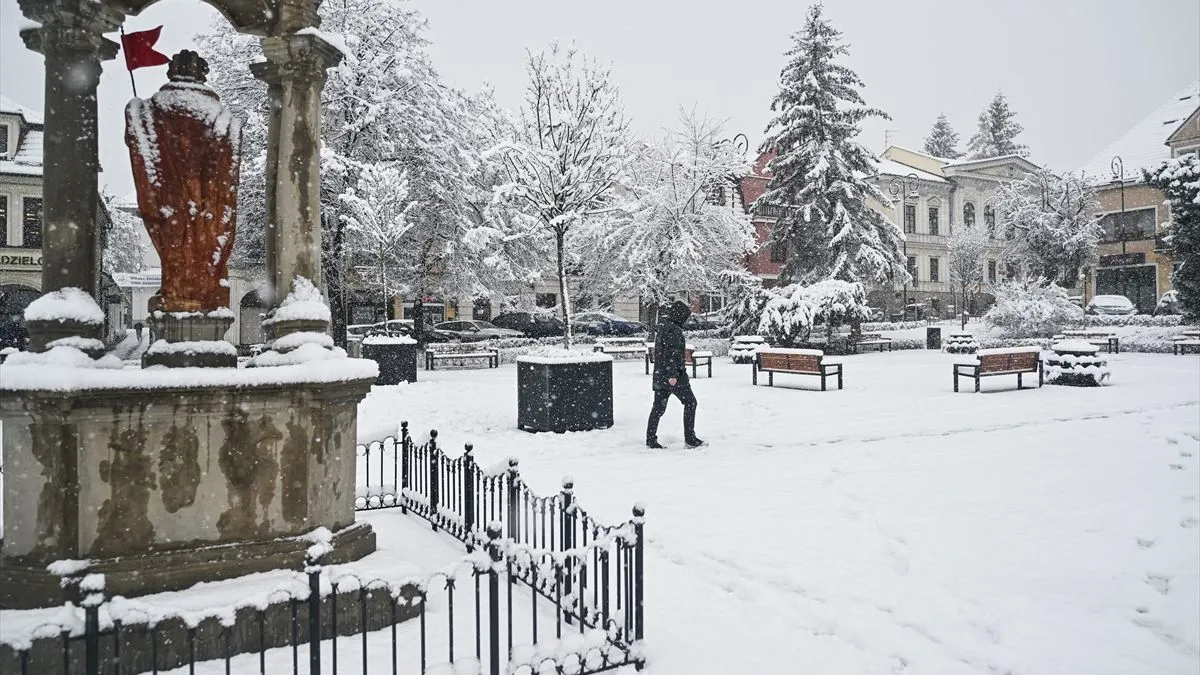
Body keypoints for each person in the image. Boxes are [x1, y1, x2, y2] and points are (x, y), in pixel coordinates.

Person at [646, 300, 703, 448]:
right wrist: (673, 375)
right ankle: (690, 438)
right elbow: (671, 355)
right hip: (674, 377)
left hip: (660, 375)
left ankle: (650, 439)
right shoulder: (674, 331)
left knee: (658, 408)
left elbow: (664, 354)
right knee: (690, 402)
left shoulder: (664, 328)